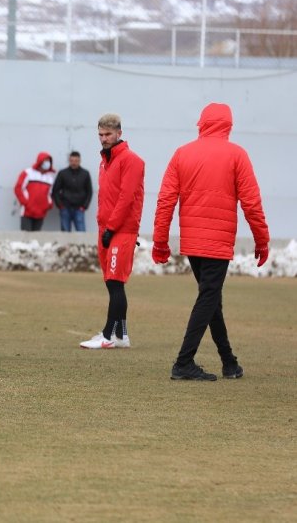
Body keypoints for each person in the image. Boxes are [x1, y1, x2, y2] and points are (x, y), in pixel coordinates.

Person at [152, 102, 270, 381]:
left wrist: (160, 242)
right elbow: (252, 203)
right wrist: (262, 241)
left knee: (211, 297)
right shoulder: (237, 155)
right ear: (228, 125)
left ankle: (229, 362)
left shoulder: (182, 154)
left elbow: (165, 200)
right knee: (209, 297)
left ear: (201, 124)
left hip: (193, 242)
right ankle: (183, 362)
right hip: (218, 241)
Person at [79, 113, 145, 350]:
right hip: (106, 228)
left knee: (116, 282)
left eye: (108, 134)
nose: (103, 139)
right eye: (100, 135)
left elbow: (126, 198)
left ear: (119, 133)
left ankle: (108, 335)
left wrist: (112, 227)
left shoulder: (131, 160)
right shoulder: (105, 161)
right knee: (111, 282)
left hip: (121, 230)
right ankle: (121, 335)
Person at [52, 150, 93, 232]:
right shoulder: (62, 173)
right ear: (69, 161)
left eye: (76, 161)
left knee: (82, 234)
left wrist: (84, 206)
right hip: (65, 208)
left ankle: (81, 245)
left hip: (79, 209)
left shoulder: (85, 173)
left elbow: (89, 191)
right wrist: (60, 205)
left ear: (79, 161)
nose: (74, 163)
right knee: (65, 235)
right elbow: (55, 191)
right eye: (72, 161)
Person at [14, 151, 55, 231]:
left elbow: (49, 194)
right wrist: (26, 203)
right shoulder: (28, 173)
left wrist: (48, 205)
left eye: (49, 161)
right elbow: (18, 188)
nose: (47, 163)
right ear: (40, 161)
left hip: (41, 212)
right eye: (45, 161)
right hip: (27, 211)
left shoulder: (50, 177)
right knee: (26, 237)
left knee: (36, 239)